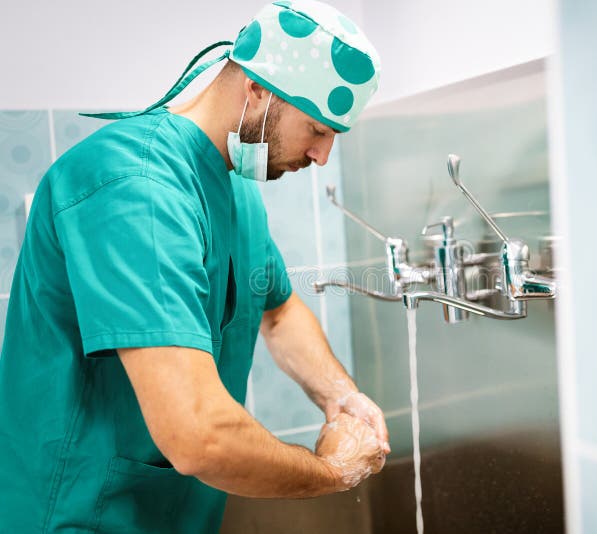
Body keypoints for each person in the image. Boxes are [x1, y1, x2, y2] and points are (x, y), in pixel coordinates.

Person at [0, 1, 389, 531]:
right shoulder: (134, 188)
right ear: (258, 91)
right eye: (318, 130)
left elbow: (277, 311)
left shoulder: (235, 187)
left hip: (170, 514)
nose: (322, 156)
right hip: (82, 514)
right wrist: (330, 470)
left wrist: (342, 398)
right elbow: (198, 435)